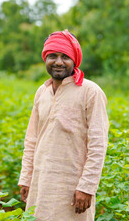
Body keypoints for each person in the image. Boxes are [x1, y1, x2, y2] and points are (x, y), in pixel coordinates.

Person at [18, 29, 109, 221]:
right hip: (41, 183)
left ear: (74, 60)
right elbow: (32, 139)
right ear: (45, 59)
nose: (58, 62)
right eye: (53, 56)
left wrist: (86, 187)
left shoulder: (90, 92)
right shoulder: (41, 92)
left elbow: (98, 145)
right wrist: (26, 178)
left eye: (65, 56)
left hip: (73, 187)